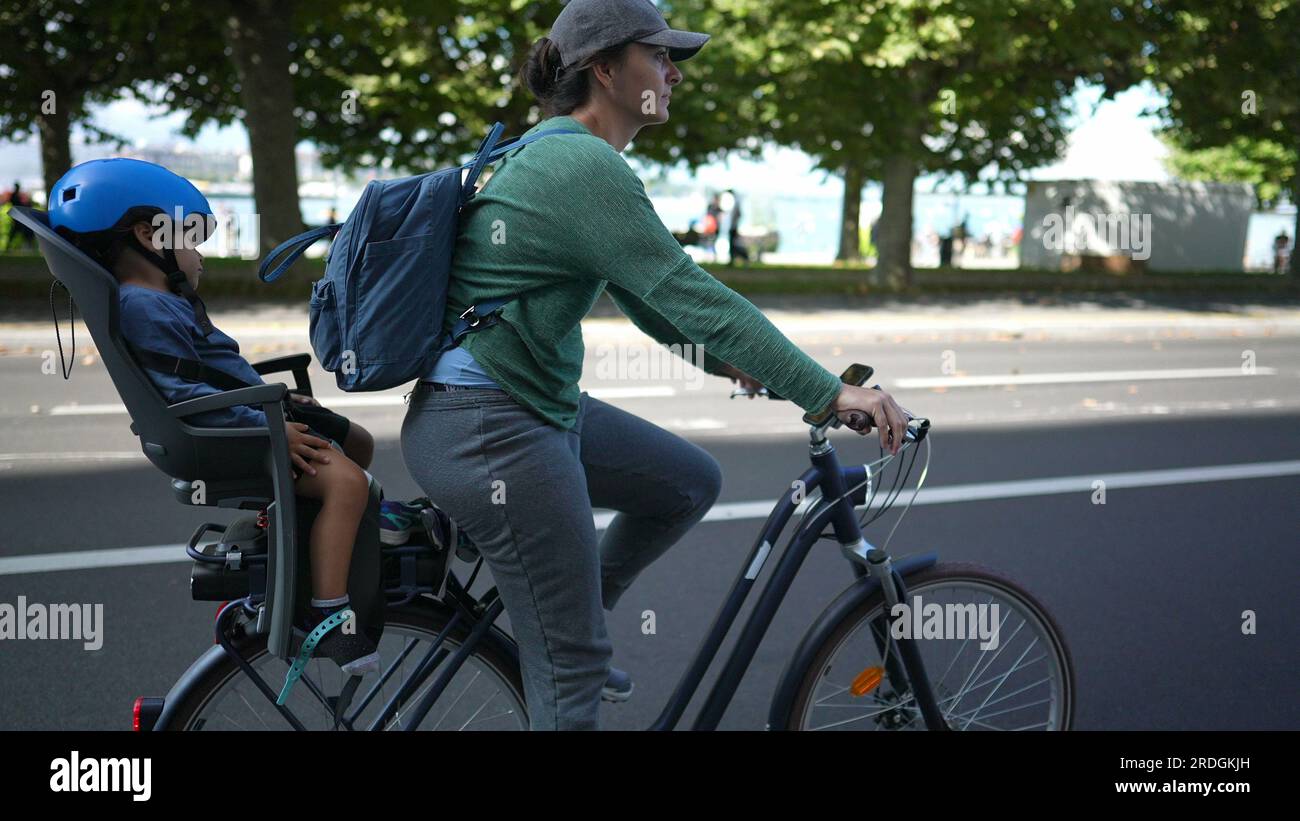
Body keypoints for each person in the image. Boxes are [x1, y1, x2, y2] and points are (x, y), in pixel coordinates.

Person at [399, 0, 910, 731]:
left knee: (685, 482)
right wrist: (827, 393)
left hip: (511, 411)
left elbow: (651, 303)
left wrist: (731, 365)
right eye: (659, 56)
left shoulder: (555, 153)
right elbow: (688, 291)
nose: (675, 74)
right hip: (492, 431)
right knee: (573, 670)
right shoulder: (581, 164)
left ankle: (566, 616)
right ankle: (567, 645)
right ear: (605, 70)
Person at [48, 158, 383, 675]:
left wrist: (276, 403)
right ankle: (330, 615)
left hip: (244, 416)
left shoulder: (159, 301)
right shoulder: (146, 307)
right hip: (232, 432)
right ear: (149, 236)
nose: (201, 255)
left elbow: (211, 372)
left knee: (357, 442)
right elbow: (183, 393)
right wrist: (266, 423)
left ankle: (322, 536)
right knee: (347, 483)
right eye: (192, 240)